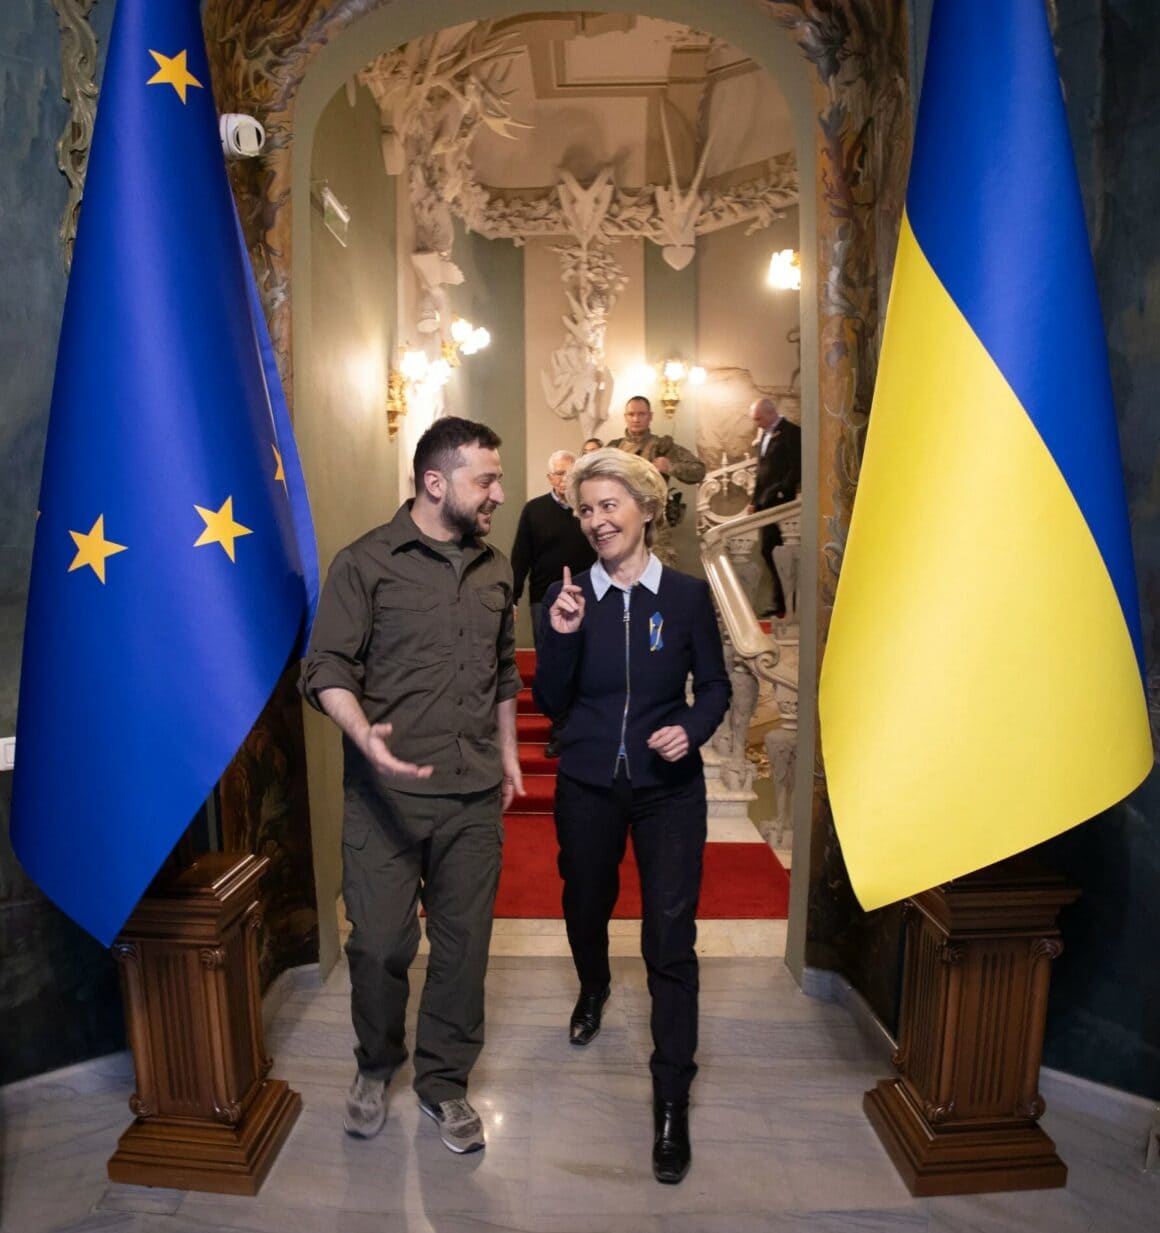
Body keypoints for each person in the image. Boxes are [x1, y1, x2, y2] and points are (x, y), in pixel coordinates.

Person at [299, 416, 524, 1156]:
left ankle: (445, 1083)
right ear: (436, 482)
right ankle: (375, 1064)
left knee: (464, 949)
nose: (498, 494)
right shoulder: (365, 563)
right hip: (383, 802)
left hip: (472, 798)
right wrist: (363, 733)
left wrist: (509, 753)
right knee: (378, 946)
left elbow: (502, 672)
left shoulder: (496, 569)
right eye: (485, 480)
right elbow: (325, 667)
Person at [532, 448, 730, 1185]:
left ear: (647, 509)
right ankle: (593, 985)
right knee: (585, 903)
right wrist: (560, 633)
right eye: (586, 509)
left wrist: (692, 727)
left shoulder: (686, 596)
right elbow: (551, 700)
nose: (596, 520)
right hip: (587, 781)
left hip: (668, 788)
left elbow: (715, 686)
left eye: (609, 505)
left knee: (670, 937)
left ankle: (671, 1097)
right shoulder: (566, 596)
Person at [510, 450, 596, 756]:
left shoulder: (589, 509)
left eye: (570, 473)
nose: (565, 479)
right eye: (559, 473)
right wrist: (512, 599)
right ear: (550, 478)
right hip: (544, 600)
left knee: (586, 663)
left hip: (588, 598)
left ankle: (582, 726)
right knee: (553, 666)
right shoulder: (534, 510)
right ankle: (559, 730)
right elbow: (520, 557)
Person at [606, 395, 706, 566]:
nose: (636, 419)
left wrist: (670, 467)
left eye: (641, 414)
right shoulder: (613, 448)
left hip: (654, 526)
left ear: (650, 416)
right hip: (620, 524)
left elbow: (699, 471)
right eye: (631, 414)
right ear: (625, 417)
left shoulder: (662, 446)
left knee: (661, 575)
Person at [747, 396, 802, 618]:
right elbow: (761, 472)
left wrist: (781, 491)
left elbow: (796, 467)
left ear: (771, 413)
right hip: (764, 504)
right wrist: (754, 501)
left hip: (781, 504)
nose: (757, 423)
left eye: (759, 418)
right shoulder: (764, 435)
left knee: (780, 553)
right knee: (768, 551)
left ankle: (786, 605)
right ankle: (780, 603)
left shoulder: (791, 432)